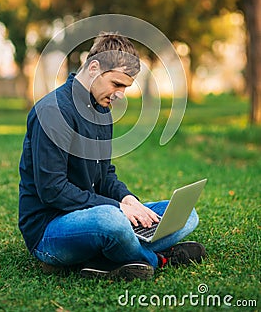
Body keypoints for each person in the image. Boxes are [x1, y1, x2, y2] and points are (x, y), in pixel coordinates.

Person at [18, 32, 205, 280]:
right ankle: (158, 258)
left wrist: (127, 199)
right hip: (50, 229)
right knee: (112, 221)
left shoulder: (102, 110)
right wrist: (117, 208)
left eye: (125, 88)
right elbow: (52, 189)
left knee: (186, 216)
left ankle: (107, 257)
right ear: (94, 68)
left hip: (94, 213)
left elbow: (104, 174)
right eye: (116, 84)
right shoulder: (53, 112)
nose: (119, 95)